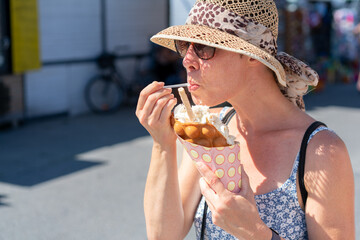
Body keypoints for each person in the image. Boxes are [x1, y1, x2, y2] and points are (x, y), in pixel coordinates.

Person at [136, 0, 355, 239]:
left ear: (251, 55)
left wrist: (256, 233)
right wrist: (162, 145)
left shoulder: (320, 151)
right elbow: (163, 235)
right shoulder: (209, 130)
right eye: (184, 45)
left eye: (203, 47)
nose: (187, 60)